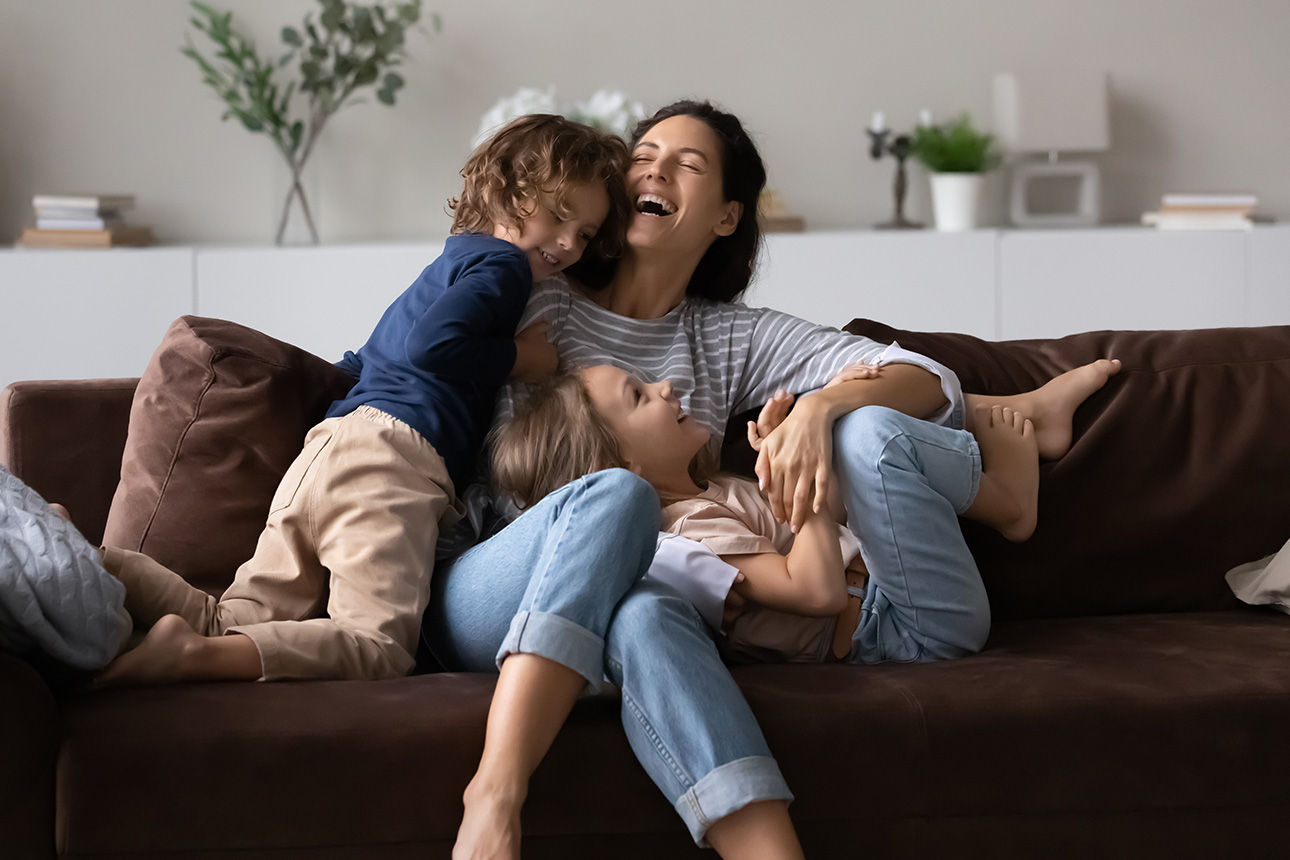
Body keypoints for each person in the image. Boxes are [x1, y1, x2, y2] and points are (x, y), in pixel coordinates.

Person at [425, 100, 1123, 860]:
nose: (653, 167)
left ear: (726, 218)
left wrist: (820, 409)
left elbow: (923, 380)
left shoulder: (729, 337)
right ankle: (494, 793)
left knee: (646, 611)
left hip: (630, 593)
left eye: (686, 163)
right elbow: (421, 348)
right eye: (644, 152)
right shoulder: (540, 287)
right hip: (495, 583)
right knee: (619, 499)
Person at [93, 114, 632, 686]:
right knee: (377, 646)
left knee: (232, 617)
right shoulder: (502, 269)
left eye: (588, 233)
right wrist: (522, 359)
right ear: (505, 194)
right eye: (559, 217)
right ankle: (190, 657)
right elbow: (433, 347)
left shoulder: (447, 265)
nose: (571, 243)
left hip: (330, 447)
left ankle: (86, 560)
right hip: (395, 459)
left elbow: (362, 361)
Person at [492, 360, 1119, 667]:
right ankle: (1010, 503)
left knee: (854, 427)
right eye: (639, 396)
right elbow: (815, 590)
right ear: (619, 466)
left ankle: (1010, 476)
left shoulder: (714, 491)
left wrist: (804, 439)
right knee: (867, 435)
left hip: (893, 597)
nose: (665, 388)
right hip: (905, 638)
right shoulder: (680, 534)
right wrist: (805, 482)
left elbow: (833, 525)